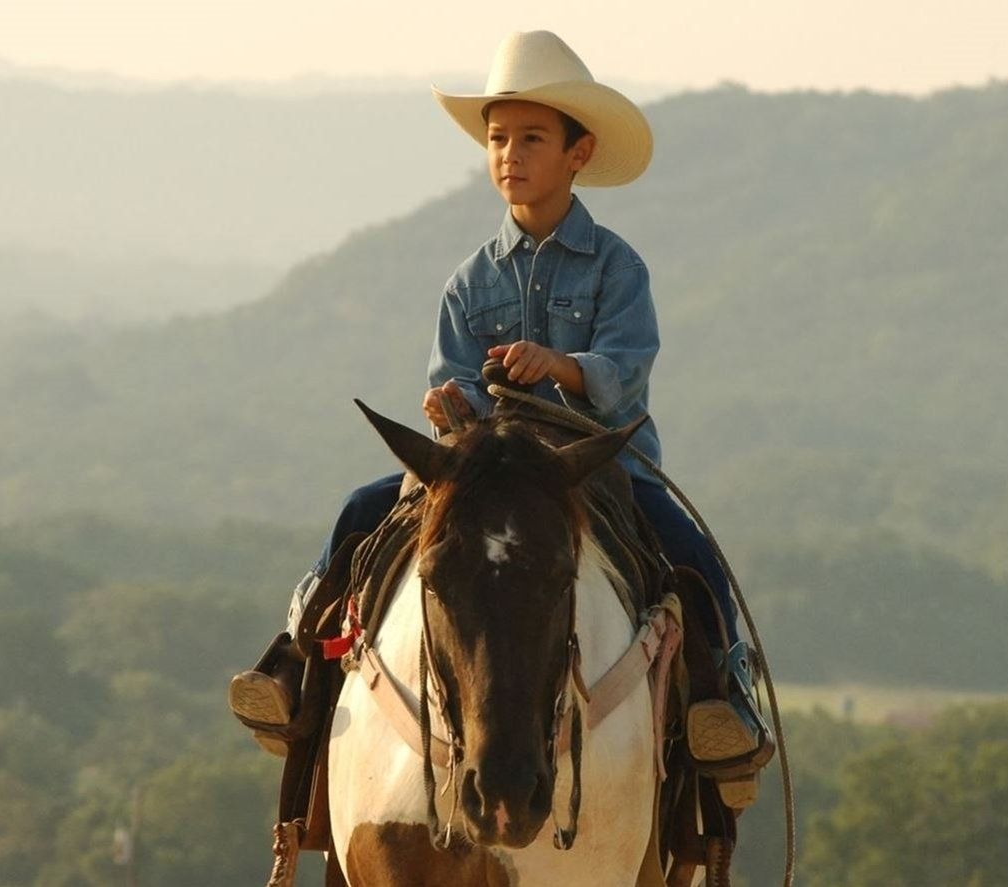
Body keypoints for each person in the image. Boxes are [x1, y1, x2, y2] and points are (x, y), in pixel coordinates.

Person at [230, 30, 768, 806]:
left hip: (594, 465)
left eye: (531, 138)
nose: (509, 154)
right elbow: (452, 385)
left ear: (578, 153)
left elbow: (624, 374)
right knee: (360, 510)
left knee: (686, 546)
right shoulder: (467, 280)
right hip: (484, 466)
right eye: (497, 138)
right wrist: (449, 408)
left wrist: (559, 366)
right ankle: (294, 666)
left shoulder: (617, 267)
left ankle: (725, 701)